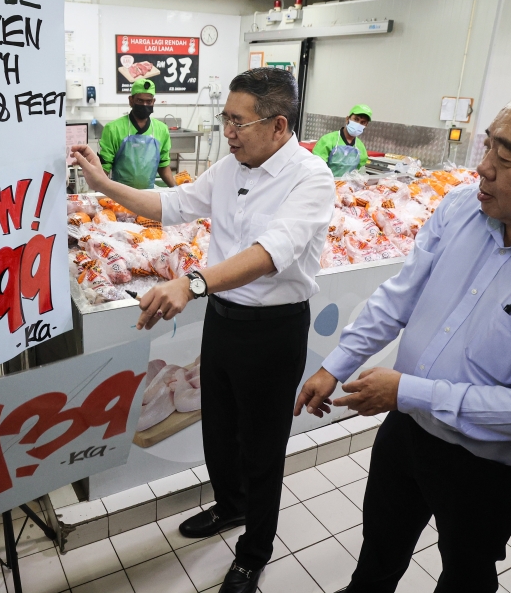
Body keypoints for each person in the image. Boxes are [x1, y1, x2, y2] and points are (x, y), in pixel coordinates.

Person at [294, 73, 511, 592]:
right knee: (379, 549)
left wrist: (405, 390)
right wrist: (336, 364)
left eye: (506, 157)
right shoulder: (463, 207)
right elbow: (401, 295)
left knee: (467, 569)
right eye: (489, 145)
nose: (482, 168)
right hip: (409, 429)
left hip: (492, 466)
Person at [72, 68, 335, 593]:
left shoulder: (311, 177)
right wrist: (103, 186)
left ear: (278, 125)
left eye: (238, 121)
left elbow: (269, 256)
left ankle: (253, 552)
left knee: (261, 448)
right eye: (226, 119)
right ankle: (230, 507)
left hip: (273, 330)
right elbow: (170, 205)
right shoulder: (229, 167)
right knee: (217, 427)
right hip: (224, 320)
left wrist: (191, 284)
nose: (228, 131)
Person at [98, 78, 177, 189]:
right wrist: (98, 192)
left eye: (148, 101)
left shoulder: (161, 130)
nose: (144, 105)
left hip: (149, 195)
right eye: (140, 101)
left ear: (153, 102)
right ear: (131, 100)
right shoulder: (113, 129)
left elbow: (163, 165)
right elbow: (104, 168)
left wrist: (176, 190)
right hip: (120, 195)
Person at [311, 104, 372, 177]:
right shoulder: (327, 140)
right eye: (356, 119)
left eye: (362, 122)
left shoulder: (360, 147)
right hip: (326, 184)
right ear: (347, 119)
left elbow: (359, 172)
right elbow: (317, 168)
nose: (358, 124)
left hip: (348, 187)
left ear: (366, 125)